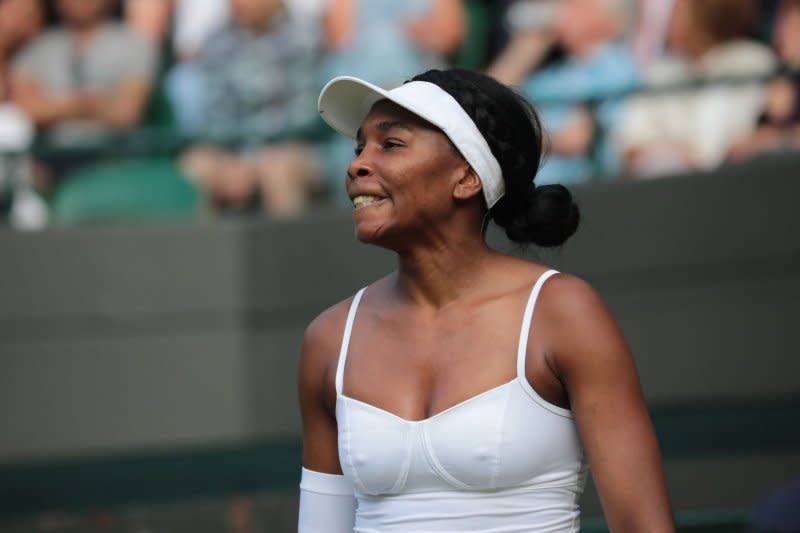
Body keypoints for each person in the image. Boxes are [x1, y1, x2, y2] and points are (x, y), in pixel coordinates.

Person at [298, 68, 674, 531]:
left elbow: (643, 525)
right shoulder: (329, 339)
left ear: (466, 177)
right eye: (360, 148)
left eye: (390, 145)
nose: (356, 164)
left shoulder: (563, 313)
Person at [178, 0, 323, 216]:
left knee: (277, 170)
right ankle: (202, 248)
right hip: (233, 149)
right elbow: (216, 114)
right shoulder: (216, 40)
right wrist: (235, 161)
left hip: (295, 147)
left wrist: (255, 161)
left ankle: (288, 249)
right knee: (196, 164)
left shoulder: (305, 35)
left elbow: (304, 115)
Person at [616, 0, 777, 177]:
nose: (668, 19)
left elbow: (720, 150)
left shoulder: (752, 62)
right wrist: (675, 155)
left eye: (677, 10)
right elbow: (630, 143)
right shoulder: (659, 72)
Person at [487, 0, 639, 184]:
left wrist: (525, 139)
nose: (561, 11)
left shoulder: (617, 66)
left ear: (605, 18)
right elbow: (489, 96)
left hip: (587, 191)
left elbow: (577, 139)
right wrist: (531, 45)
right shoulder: (555, 74)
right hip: (535, 190)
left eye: (575, 6)